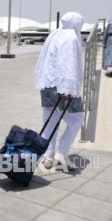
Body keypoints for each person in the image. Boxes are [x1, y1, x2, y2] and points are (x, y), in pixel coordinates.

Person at [34, 12, 85, 170]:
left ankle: (48, 156)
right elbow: (67, 63)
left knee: (50, 120)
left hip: (47, 84)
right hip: (63, 87)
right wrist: (66, 89)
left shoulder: (54, 34)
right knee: (77, 118)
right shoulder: (70, 37)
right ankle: (61, 153)